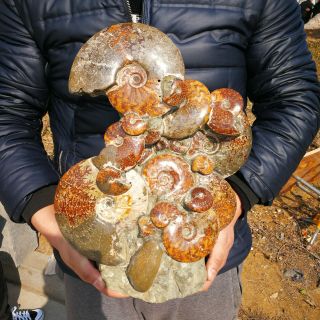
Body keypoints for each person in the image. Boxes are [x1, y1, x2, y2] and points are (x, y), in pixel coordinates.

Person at [0, 0, 319, 320]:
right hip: (92, 244)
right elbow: (7, 114)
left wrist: (235, 195)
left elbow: (294, 99)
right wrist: (44, 210)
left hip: (202, 248)